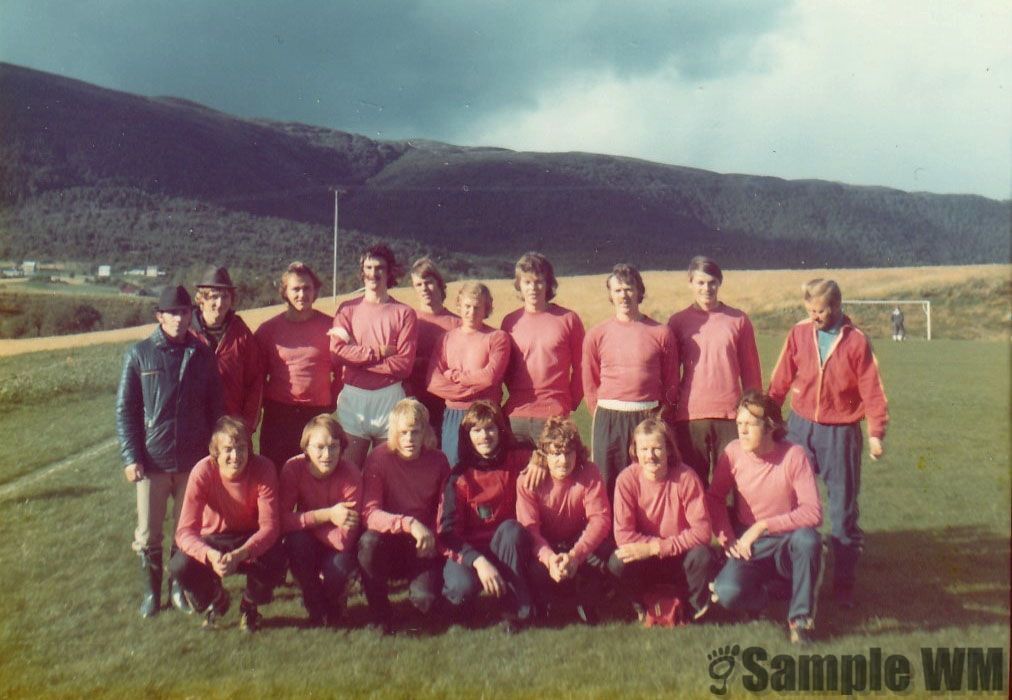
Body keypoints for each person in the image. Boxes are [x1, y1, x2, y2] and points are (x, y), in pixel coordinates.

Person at [768, 278, 889, 608]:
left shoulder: (857, 342)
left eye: (819, 311)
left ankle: (844, 585)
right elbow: (780, 379)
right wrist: (767, 415)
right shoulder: (798, 332)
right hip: (800, 427)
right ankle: (787, 576)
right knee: (787, 503)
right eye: (809, 310)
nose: (814, 316)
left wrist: (876, 433)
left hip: (841, 433)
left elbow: (873, 390)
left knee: (842, 509)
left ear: (836, 307)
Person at [115, 284, 223, 618]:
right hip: (153, 462)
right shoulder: (139, 353)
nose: (179, 318)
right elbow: (126, 410)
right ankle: (151, 592)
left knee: (186, 531)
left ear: (192, 314)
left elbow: (216, 407)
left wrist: (215, 454)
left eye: (184, 312)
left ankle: (179, 586)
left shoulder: (203, 354)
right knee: (148, 533)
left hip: (193, 461)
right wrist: (131, 457)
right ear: (160, 316)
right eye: (172, 313)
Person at [707, 390, 824, 645]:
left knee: (809, 540)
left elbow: (813, 512)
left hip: (787, 540)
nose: (742, 431)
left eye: (750, 424)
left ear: (770, 426)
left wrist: (763, 526)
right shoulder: (733, 453)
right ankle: (767, 595)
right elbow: (714, 498)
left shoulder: (794, 455)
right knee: (727, 593)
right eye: (739, 424)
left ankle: (800, 620)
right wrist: (727, 539)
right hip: (749, 545)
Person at [170, 417, 286, 633]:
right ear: (215, 453)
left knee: (277, 557)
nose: (236, 456)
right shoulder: (202, 471)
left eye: (241, 448)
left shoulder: (264, 468)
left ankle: (250, 605)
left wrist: (242, 553)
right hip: (215, 539)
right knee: (179, 565)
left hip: (250, 538)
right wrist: (210, 555)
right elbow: (185, 532)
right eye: (228, 450)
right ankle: (215, 598)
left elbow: (270, 528)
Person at [438, 401, 545, 633]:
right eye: (476, 430)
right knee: (460, 590)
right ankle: (466, 604)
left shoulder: (517, 458)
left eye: (490, 429)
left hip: (509, 546)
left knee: (510, 529)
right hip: (473, 552)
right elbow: (447, 534)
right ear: (467, 436)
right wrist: (479, 562)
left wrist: (540, 459)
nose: (484, 436)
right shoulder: (459, 477)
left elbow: (550, 450)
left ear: (500, 430)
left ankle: (517, 611)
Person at [582, 264, 680, 499]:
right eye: (617, 290)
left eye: (628, 289)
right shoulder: (597, 334)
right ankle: (608, 534)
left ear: (639, 291)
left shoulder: (661, 332)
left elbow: (671, 380)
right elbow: (590, 382)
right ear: (610, 295)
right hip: (609, 417)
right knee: (607, 480)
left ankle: (645, 531)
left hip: (647, 415)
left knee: (646, 477)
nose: (623, 295)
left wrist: (660, 414)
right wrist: (602, 412)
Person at [358, 399, 451, 634]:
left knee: (425, 601)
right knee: (368, 542)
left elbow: (444, 510)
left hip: (423, 543)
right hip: (390, 539)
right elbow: (370, 513)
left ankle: (422, 594)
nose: (409, 439)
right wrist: (409, 523)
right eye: (403, 433)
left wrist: (433, 540)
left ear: (425, 432)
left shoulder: (438, 460)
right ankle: (380, 614)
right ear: (393, 433)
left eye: (415, 432)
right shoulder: (379, 457)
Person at [607, 417, 713, 622]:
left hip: (680, 555)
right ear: (635, 451)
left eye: (656, 448)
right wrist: (650, 550)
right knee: (617, 561)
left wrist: (658, 547)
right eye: (644, 449)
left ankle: (692, 609)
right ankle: (641, 606)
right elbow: (623, 535)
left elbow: (703, 532)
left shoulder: (686, 478)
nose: (650, 456)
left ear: (669, 450)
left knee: (702, 555)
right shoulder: (626, 480)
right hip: (645, 559)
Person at [667, 256, 762, 485]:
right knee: (692, 483)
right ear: (690, 283)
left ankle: (729, 523)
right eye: (700, 283)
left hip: (730, 415)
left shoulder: (738, 320)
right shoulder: (678, 322)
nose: (706, 288)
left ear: (720, 283)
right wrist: (669, 411)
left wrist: (754, 411)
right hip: (690, 416)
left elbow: (751, 371)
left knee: (730, 484)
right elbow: (669, 374)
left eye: (712, 282)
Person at [516, 417, 612, 625]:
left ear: (577, 452)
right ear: (544, 454)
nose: (563, 460)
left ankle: (587, 600)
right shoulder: (528, 480)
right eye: (556, 453)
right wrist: (550, 559)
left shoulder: (589, 472)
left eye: (568, 452)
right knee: (532, 567)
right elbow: (530, 529)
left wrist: (575, 556)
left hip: (577, 543)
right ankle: (544, 602)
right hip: (546, 545)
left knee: (607, 555)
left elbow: (600, 519)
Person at [330, 245, 418, 468]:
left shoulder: (404, 313)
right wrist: (377, 352)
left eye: (380, 268)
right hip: (354, 399)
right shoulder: (347, 309)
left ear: (390, 273)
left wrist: (356, 361)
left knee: (388, 472)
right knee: (348, 471)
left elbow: (404, 365)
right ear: (361, 271)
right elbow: (337, 351)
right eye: (368, 267)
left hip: (389, 398)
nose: (373, 273)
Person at [254, 262, 341, 471]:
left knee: (313, 477)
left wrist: (332, 401)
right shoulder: (268, 330)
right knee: (275, 476)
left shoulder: (332, 326)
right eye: (295, 289)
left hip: (317, 413)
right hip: (279, 415)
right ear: (284, 292)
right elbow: (256, 375)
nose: (302, 294)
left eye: (307, 288)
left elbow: (343, 370)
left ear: (316, 291)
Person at [279, 415, 361, 627]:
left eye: (333, 447)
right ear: (306, 448)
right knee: (297, 542)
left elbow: (344, 540)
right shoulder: (293, 468)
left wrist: (307, 522)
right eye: (320, 447)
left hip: (337, 544)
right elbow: (282, 520)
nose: (327, 455)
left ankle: (334, 597)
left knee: (337, 570)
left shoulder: (350, 474)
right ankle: (314, 601)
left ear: (342, 448)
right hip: (310, 539)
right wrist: (328, 515)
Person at [501, 252, 585, 447]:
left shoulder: (568, 319)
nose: (533, 288)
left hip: (553, 413)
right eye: (527, 282)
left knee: (555, 474)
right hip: (516, 416)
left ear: (548, 284)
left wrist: (570, 402)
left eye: (539, 281)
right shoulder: (509, 321)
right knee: (519, 476)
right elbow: (504, 367)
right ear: (519, 285)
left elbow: (582, 366)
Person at [426, 282, 511, 466]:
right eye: (467, 306)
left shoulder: (497, 337)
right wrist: (475, 389)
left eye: (477, 307)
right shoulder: (446, 339)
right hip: (454, 414)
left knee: (489, 468)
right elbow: (432, 382)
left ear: (486, 308)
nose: (471, 312)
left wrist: (455, 376)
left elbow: (490, 377)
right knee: (453, 468)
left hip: (487, 415)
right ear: (459, 305)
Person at [191, 265, 264, 432]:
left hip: (233, 428)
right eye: (213, 297)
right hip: (195, 429)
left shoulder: (242, 334)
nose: (219, 303)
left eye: (225, 297)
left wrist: (247, 425)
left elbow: (255, 383)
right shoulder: (187, 335)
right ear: (201, 300)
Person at [407, 257, 460, 444]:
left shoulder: (457, 323)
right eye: (418, 284)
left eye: (428, 282)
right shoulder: (409, 320)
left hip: (446, 401)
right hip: (413, 397)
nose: (424, 288)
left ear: (439, 283)